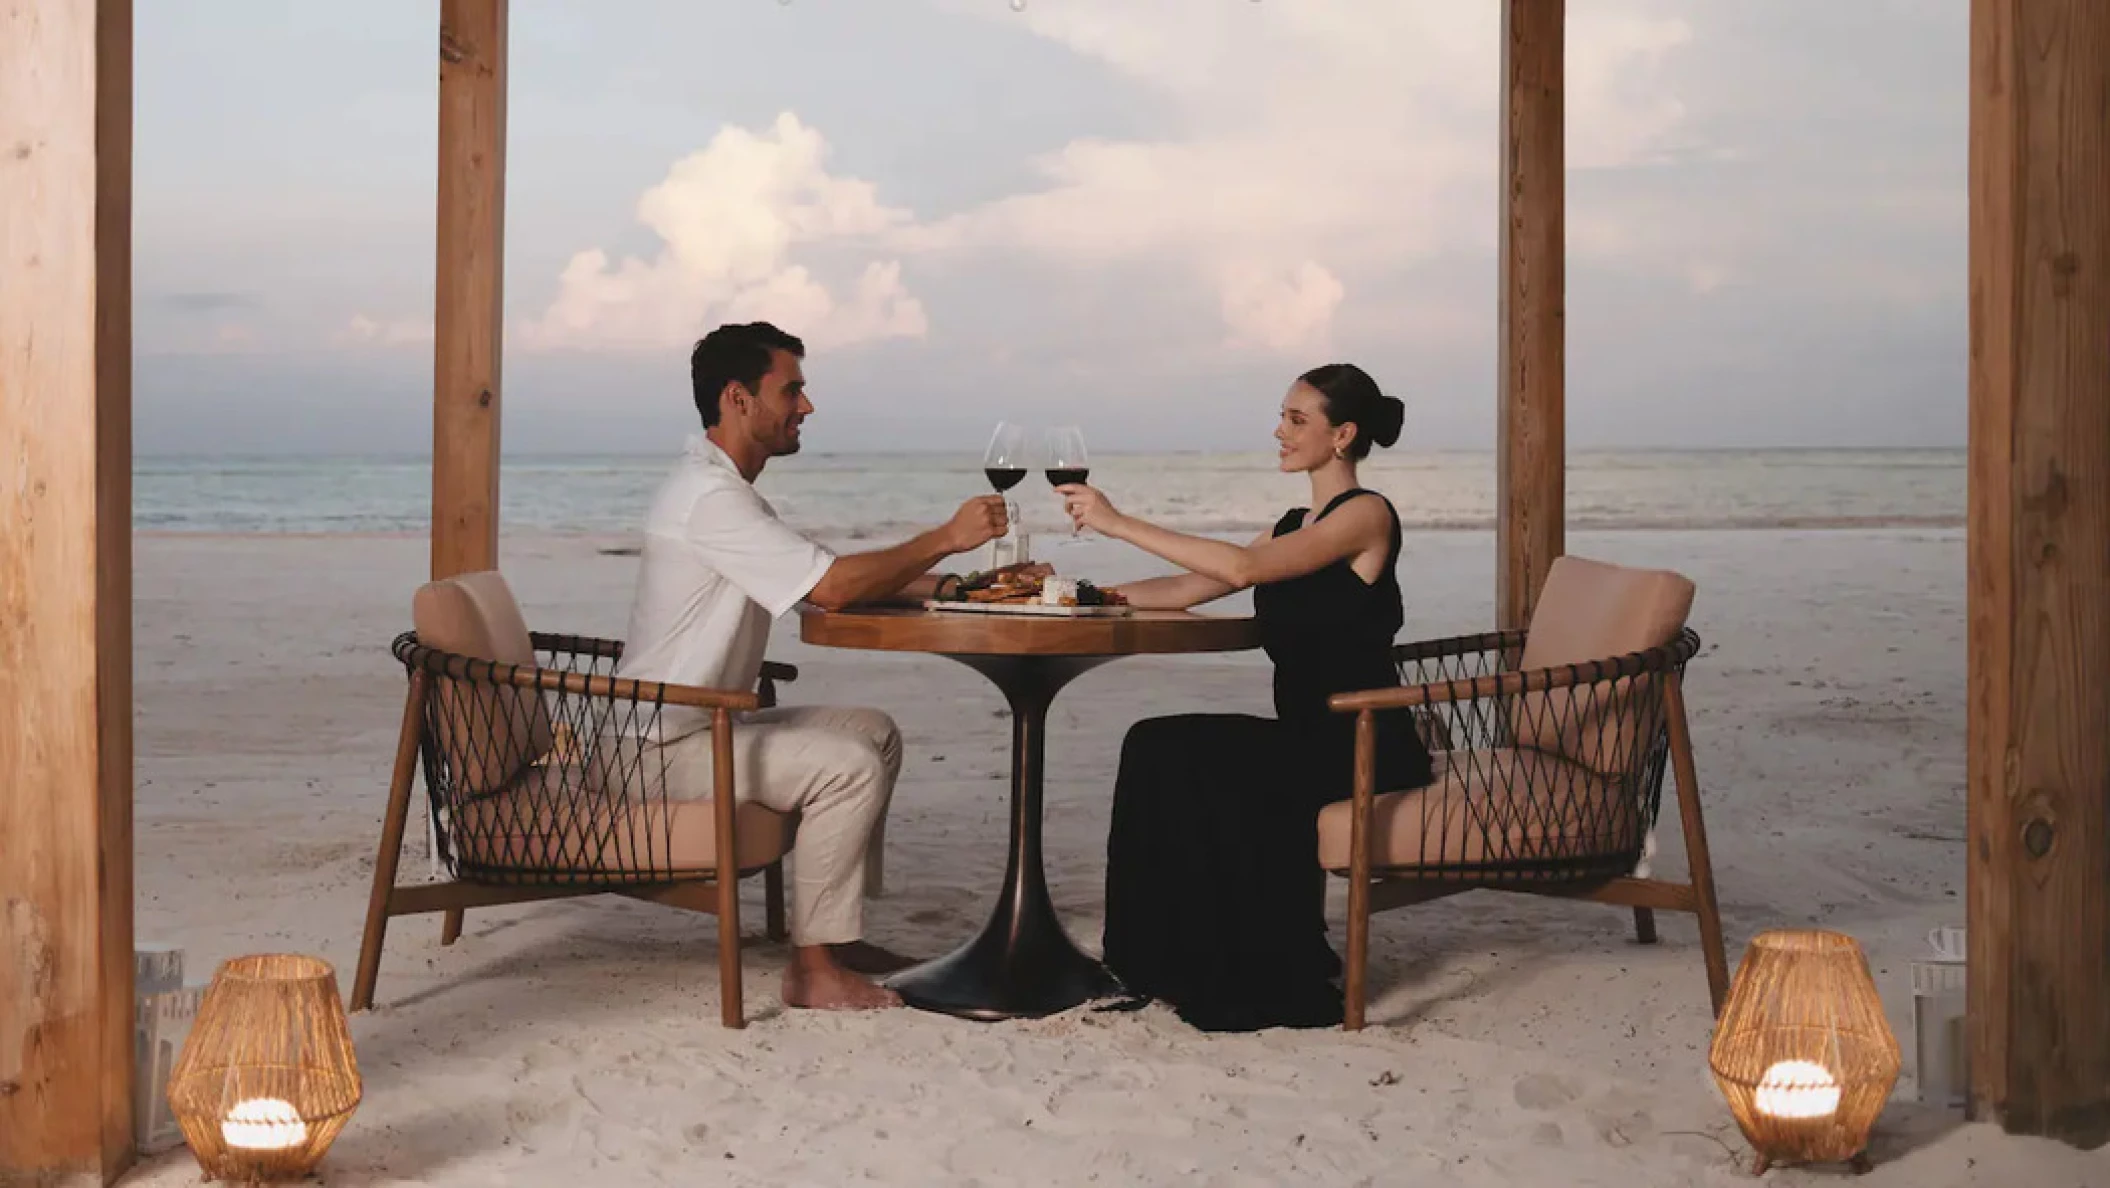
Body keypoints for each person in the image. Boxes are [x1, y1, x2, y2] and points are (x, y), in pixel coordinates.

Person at [616, 320, 1026, 1012]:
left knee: (873, 731)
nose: (806, 407)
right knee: (848, 763)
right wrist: (948, 540)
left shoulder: (726, 494)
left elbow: (832, 574)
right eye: (793, 390)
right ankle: (812, 972)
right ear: (738, 399)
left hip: (697, 725)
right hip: (660, 749)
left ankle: (832, 937)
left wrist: (959, 587)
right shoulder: (711, 501)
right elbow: (833, 588)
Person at [1054, 363, 1436, 1031]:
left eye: (1297, 420)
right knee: (1154, 744)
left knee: (1206, 765)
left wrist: (1116, 521)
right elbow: (1192, 587)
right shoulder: (1292, 523)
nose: (1279, 432)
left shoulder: (1366, 515)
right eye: (1281, 416)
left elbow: (1241, 569)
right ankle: (1147, 961)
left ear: (1342, 435)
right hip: (1306, 736)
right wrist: (1086, 599)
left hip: (1364, 741)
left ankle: (1252, 968)